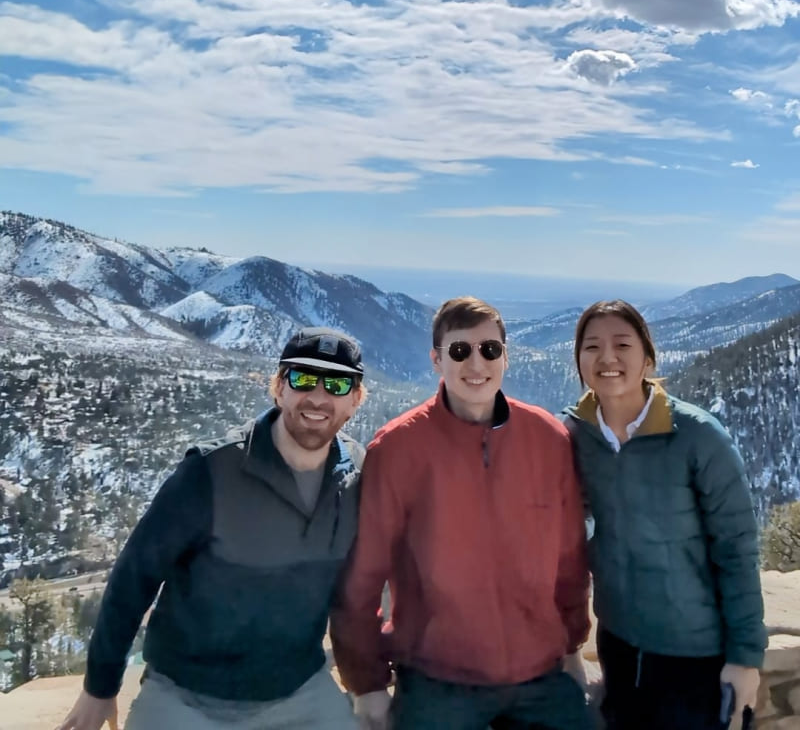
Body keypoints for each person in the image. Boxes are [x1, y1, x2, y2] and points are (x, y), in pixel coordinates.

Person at [57, 326, 368, 730]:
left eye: (338, 384)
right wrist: (100, 689)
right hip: (185, 697)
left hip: (299, 691)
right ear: (278, 387)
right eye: (303, 378)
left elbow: (370, 584)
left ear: (355, 401)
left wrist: (370, 680)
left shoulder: (358, 477)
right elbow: (134, 578)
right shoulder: (210, 472)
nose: (319, 396)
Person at [330, 296, 593, 730]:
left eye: (489, 349)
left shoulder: (546, 438)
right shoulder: (398, 449)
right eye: (459, 350)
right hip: (439, 679)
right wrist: (367, 683)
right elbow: (363, 576)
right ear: (437, 359)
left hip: (539, 673)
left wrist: (572, 646)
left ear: (505, 357)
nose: (476, 363)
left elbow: (569, 556)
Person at [562, 299, 766, 730]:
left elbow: (737, 549)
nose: (607, 358)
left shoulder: (698, 436)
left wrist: (746, 657)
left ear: (648, 358)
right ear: (579, 361)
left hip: (697, 656)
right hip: (618, 647)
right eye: (592, 347)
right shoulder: (573, 437)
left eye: (622, 344)